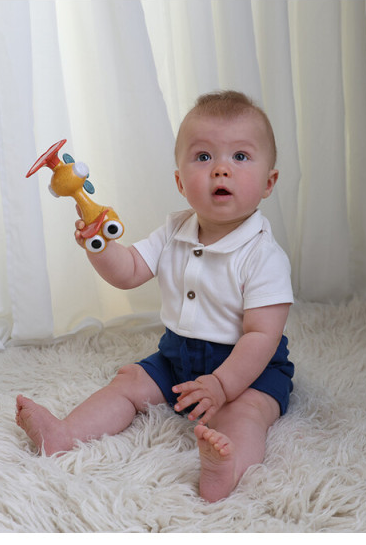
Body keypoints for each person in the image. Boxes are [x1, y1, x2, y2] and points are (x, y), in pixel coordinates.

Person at [16, 90, 294, 502]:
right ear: (180, 182)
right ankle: (64, 433)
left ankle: (228, 468)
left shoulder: (264, 255)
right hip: (178, 355)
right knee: (128, 382)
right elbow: (129, 271)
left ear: (268, 183)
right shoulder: (174, 230)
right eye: (204, 157)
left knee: (245, 413)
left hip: (250, 368)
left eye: (240, 156)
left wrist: (222, 385)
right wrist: (99, 245)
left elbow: (261, 335)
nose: (221, 169)